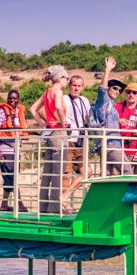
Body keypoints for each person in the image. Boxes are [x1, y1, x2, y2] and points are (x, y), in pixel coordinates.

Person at [30, 65, 69, 214]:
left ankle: (43, 207)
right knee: (58, 173)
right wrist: (63, 121)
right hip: (58, 133)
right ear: (60, 78)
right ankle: (54, 208)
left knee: (47, 173)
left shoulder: (47, 92)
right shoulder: (58, 91)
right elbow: (58, 106)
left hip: (50, 133)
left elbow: (33, 109)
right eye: (66, 78)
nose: (67, 80)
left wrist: (44, 125)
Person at [91, 57, 133, 176]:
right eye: (115, 88)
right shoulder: (103, 101)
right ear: (109, 88)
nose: (117, 91)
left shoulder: (112, 106)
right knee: (127, 170)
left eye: (119, 90)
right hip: (109, 144)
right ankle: (126, 195)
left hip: (113, 144)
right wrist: (107, 70)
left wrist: (118, 119)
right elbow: (101, 89)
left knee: (106, 174)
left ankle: (103, 195)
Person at [0, 90, 29, 212]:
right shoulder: (1, 112)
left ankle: (4, 205)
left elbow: (23, 129)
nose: (12, 100)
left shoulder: (19, 112)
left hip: (16, 149)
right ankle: (19, 203)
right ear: (7, 98)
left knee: (10, 177)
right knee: (11, 176)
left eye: (15, 98)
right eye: (10, 98)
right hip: (5, 148)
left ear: (18, 99)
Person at [61, 75, 91, 203]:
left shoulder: (85, 100)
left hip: (81, 141)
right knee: (66, 174)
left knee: (87, 172)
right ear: (69, 86)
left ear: (82, 87)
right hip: (68, 139)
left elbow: (89, 118)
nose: (76, 88)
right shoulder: (64, 99)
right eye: (74, 85)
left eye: (79, 86)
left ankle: (65, 195)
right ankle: (65, 204)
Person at [116, 82, 137, 173]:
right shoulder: (117, 107)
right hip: (120, 149)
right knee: (118, 176)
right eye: (128, 92)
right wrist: (117, 120)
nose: (131, 95)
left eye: (134, 92)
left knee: (136, 179)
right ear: (125, 93)